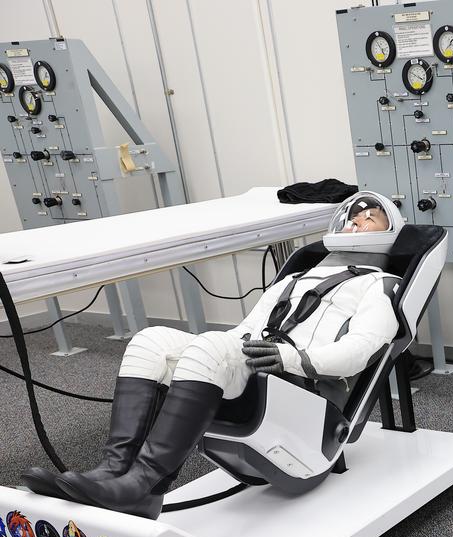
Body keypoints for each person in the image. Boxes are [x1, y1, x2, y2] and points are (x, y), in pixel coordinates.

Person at [22, 191, 405, 520]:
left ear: (388, 234)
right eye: (353, 215)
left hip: (306, 386)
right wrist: (215, 355)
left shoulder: (379, 285)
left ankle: (145, 485)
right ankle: (114, 470)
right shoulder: (293, 280)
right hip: (261, 367)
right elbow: (244, 332)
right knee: (150, 340)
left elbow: (360, 352)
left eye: (370, 218)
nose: (357, 221)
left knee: (212, 345)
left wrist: (292, 358)